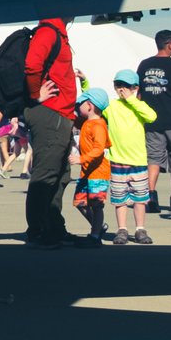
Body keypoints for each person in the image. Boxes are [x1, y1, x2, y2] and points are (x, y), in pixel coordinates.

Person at [13, 18, 77, 246]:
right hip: (51, 113)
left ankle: (53, 228)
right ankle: (39, 231)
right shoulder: (49, 31)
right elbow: (32, 64)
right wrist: (34, 94)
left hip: (59, 115)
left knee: (60, 175)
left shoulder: (56, 32)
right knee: (46, 175)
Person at [136, 30, 171, 219]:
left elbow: (139, 94)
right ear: (169, 44)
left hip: (151, 121)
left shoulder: (144, 65)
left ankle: (151, 197)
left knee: (153, 159)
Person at [104, 69, 157, 245]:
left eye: (126, 86)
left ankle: (140, 229)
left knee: (140, 198)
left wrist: (132, 100)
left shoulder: (139, 106)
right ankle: (122, 229)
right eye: (118, 85)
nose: (122, 89)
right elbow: (95, 105)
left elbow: (152, 117)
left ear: (134, 88)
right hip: (118, 160)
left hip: (138, 161)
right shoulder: (111, 106)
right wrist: (84, 82)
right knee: (120, 200)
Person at [71, 94, 112, 245]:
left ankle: (95, 236)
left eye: (79, 105)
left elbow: (99, 149)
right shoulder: (86, 123)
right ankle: (98, 227)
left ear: (89, 105)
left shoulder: (98, 125)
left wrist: (80, 159)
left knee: (96, 204)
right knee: (80, 203)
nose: (77, 108)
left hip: (98, 173)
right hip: (86, 172)